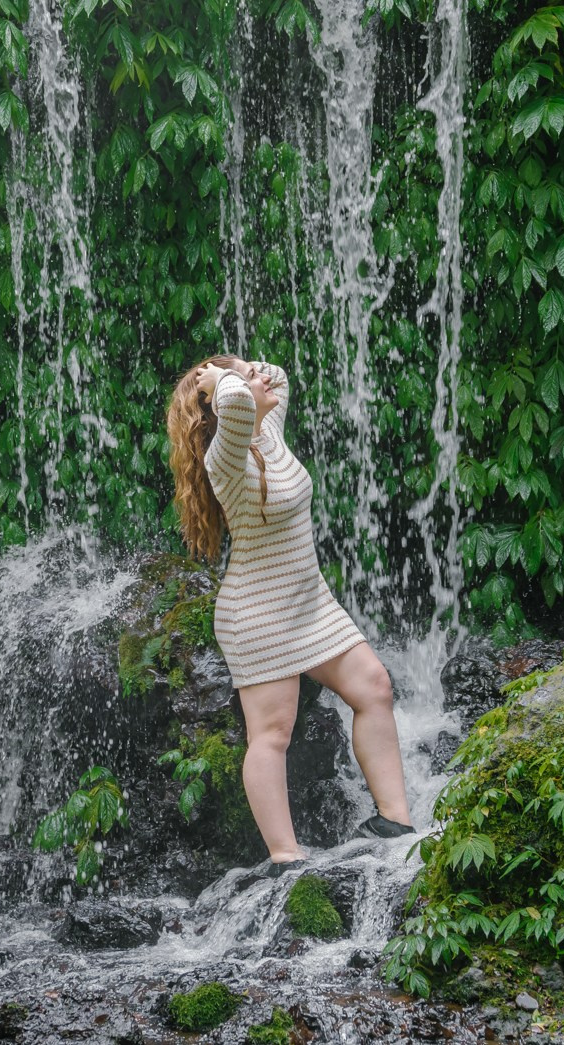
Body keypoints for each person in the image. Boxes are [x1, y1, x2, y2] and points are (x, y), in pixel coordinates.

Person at [165, 354, 414, 870]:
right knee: (272, 734)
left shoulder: (266, 429)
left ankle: (394, 820)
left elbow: (277, 375)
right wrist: (218, 382)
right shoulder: (227, 457)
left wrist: (236, 369)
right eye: (241, 378)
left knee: (374, 688)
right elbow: (236, 399)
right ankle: (285, 856)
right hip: (259, 614)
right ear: (219, 405)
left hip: (309, 603)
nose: (256, 377)